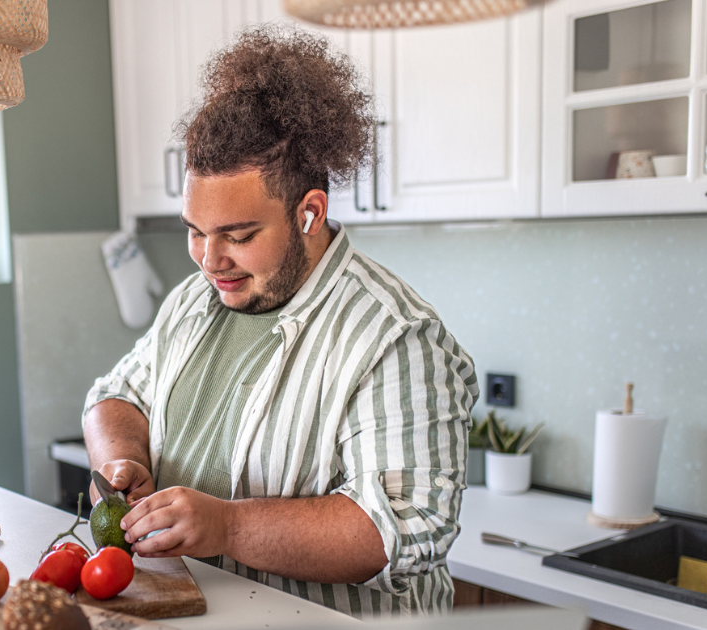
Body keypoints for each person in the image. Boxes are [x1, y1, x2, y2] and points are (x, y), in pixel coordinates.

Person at [83, 25, 478, 618]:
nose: (209, 260)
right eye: (194, 231)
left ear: (309, 212)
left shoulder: (395, 337)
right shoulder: (194, 302)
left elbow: (398, 531)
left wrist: (228, 527)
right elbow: (117, 396)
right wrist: (123, 460)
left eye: (238, 236)